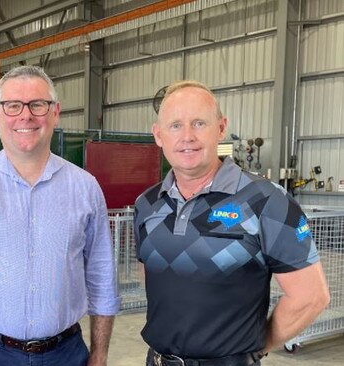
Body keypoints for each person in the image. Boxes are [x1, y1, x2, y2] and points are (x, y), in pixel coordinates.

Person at [0, 65, 120, 366]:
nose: (25, 116)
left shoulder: (85, 188)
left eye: (37, 105)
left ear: (55, 112)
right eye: (13, 105)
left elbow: (101, 276)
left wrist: (100, 354)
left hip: (67, 355)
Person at [134, 80, 330, 366]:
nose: (187, 136)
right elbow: (150, 278)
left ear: (221, 128)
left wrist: (252, 350)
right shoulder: (147, 204)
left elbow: (311, 297)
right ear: (158, 135)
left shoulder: (267, 202)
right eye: (175, 125)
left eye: (199, 123)